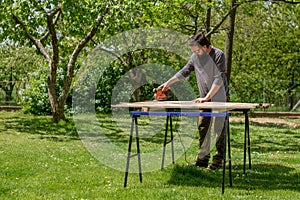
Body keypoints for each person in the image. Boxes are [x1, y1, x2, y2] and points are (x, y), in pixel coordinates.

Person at [158, 33, 229, 170]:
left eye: (197, 50)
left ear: (205, 47)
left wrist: (207, 97)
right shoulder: (195, 57)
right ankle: (202, 160)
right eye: (193, 51)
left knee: (218, 130)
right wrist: (168, 83)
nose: (195, 54)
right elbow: (184, 71)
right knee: (203, 127)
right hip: (204, 100)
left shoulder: (218, 55)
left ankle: (218, 161)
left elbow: (219, 79)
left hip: (219, 99)